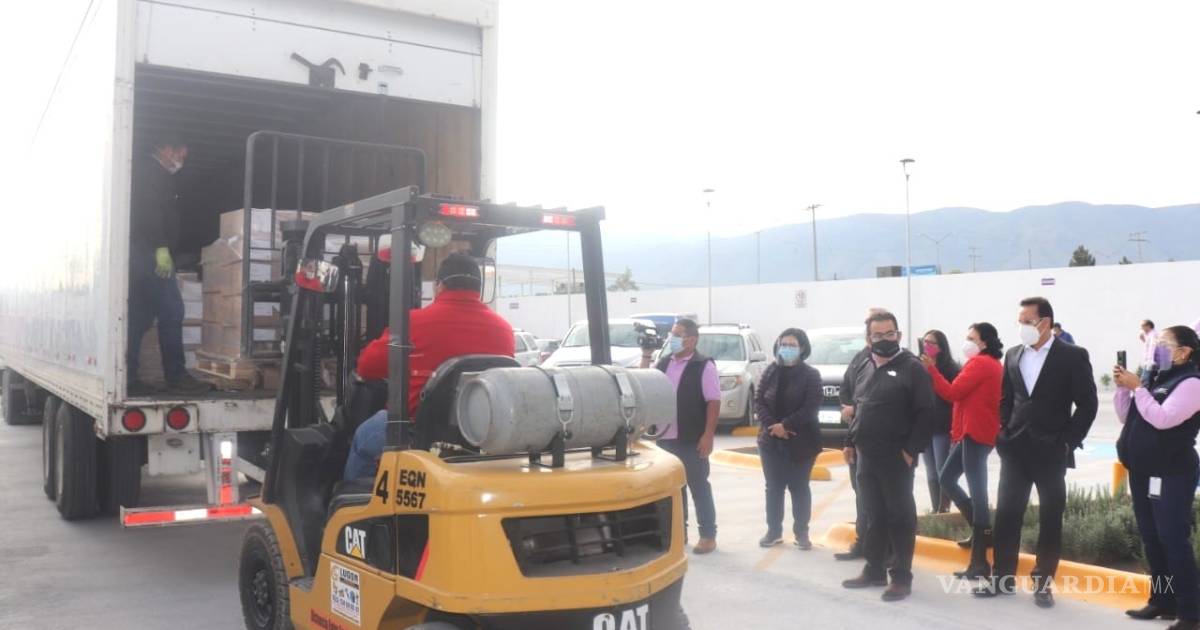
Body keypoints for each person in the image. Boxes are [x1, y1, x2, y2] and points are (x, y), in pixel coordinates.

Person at [344, 253, 514, 479]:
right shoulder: (504, 330)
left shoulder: (411, 323)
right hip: (480, 436)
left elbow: (366, 367)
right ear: (479, 289)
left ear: (439, 286)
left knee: (364, 438)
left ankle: (357, 496)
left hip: (418, 435)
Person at [974, 297, 1098, 607]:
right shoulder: (1014, 354)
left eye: (1027, 321)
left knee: (1050, 517)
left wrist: (1068, 441)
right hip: (1014, 448)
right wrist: (1004, 430)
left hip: (1051, 449)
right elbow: (1006, 397)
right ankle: (1001, 578)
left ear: (1045, 322)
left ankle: (1043, 583)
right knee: (1006, 515)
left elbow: (1088, 404)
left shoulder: (1072, 356)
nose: (1022, 327)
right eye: (1019, 321)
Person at [841, 310, 934, 602]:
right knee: (873, 515)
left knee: (900, 517)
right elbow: (858, 407)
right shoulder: (864, 366)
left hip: (897, 458)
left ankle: (901, 578)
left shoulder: (912, 368)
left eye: (890, 333)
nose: (885, 339)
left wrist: (910, 451)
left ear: (899, 335)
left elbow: (926, 413)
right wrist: (850, 442)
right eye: (878, 335)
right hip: (866, 456)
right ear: (868, 339)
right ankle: (874, 569)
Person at [1115, 325, 1200, 630]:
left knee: (1172, 539)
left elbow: (1164, 419)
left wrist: (1138, 388)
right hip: (1142, 470)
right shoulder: (1155, 377)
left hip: (1171, 471)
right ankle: (1163, 600)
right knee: (1152, 538)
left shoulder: (1192, 383)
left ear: (1184, 352)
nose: (1157, 349)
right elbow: (1127, 416)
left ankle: (1191, 611)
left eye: (1164, 344)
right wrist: (1124, 389)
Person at [127, 134, 212, 395]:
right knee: (172, 310)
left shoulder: (150, 172)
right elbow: (149, 210)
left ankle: (128, 377)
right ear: (164, 149)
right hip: (150, 251)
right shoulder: (153, 172)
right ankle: (176, 376)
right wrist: (160, 246)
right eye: (179, 153)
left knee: (139, 317)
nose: (182, 158)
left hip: (143, 251)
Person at [921, 322, 1003, 580]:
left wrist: (931, 370)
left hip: (975, 434)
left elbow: (952, 392)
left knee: (977, 492)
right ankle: (982, 535)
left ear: (984, 342)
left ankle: (980, 560)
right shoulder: (987, 363)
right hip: (971, 433)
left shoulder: (981, 364)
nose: (966, 341)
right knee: (946, 478)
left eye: (971, 337)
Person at [655, 317, 721, 555]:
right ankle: (678, 534)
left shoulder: (703, 366)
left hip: (691, 438)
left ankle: (708, 535)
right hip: (665, 438)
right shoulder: (664, 363)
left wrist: (708, 436)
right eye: (671, 334)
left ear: (692, 340)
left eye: (678, 335)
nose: (672, 339)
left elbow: (713, 402)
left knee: (698, 486)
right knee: (673, 490)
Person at [754, 328, 823, 550]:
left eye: (792, 345)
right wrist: (773, 427)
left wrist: (786, 426)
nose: (786, 348)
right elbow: (759, 401)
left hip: (801, 441)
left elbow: (810, 407)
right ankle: (773, 531)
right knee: (773, 488)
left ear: (802, 348)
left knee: (799, 487)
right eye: (783, 344)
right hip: (770, 441)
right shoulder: (770, 371)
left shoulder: (811, 375)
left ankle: (801, 532)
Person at [835, 306, 887, 561]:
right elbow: (846, 388)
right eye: (870, 327)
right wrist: (849, 409)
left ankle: (885, 549)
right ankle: (863, 542)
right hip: (858, 437)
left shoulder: (899, 363)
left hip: (885, 444)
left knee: (884, 499)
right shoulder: (860, 359)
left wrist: (857, 409)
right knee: (861, 494)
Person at [919, 329, 959, 513]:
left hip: (942, 426)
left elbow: (951, 394)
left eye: (932, 343)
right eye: (925, 342)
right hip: (925, 426)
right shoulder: (919, 366)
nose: (927, 346)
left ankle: (944, 510)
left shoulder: (950, 368)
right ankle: (936, 509)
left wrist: (932, 370)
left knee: (942, 470)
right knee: (931, 472)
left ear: (940, 347)